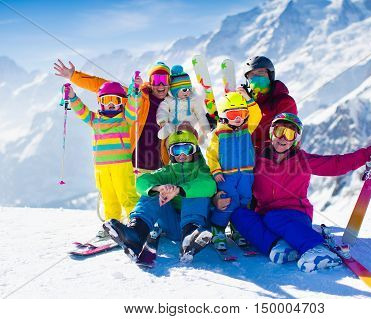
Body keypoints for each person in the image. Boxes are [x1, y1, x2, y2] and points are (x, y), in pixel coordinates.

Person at [228, 112, 371, 272]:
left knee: (273, 217)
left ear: (296, 140)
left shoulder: (302, 160)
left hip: (296, 214)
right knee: (238, 214)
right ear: (272, 133)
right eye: (279, 131)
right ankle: (279, 246)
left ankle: (317, 248)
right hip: (266, 217)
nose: (283, 138)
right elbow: (236, 174)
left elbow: (336, 164)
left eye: (289, 133)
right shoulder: (256, 159)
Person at [103, 129, 217, 264]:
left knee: (198, 191)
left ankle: (190, 237)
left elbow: (210, 186)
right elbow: (141, 181)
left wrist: (179, 190)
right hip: (173, 226)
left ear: (195, 151)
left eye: (186, 149)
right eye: (176, 150)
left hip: (197, 227)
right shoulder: (167, 172)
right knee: (152, 191)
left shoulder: (202, 171)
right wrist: (158, 188)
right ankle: (136, 234)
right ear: (170, 153)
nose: (181, 154)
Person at [54, 59, 171, 171]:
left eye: (164, 80)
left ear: (169, 83)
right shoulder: (136, 97)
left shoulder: (175, 104)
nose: (160, 85)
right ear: (150, 82)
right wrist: (74, 76)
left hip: (161, 168)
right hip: (133, 166)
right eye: (156, 80)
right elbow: (101, 85)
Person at [66, 81, 139, 235]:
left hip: (122, 165)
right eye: (106, 100)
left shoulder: (125, 119)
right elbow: (82, 112)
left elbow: (133, 109)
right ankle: (112, 225)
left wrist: (134, 93)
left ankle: (137, 225)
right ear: (100, 103)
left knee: (127, 195)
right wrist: (72, 97)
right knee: (108, 197)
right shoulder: (96, 120)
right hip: (102, 168)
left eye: (115, 100)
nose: (111, 104)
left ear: (122, 102)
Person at [206, 89, 262, 251]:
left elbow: (257, 114)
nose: (238, 118)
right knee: (228, 201)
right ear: (223, 115)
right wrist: (216, 171)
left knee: (245, 200)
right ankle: (218, 229)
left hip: (246, 174)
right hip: (227, 176)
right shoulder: (218, 134)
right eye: (232, 115)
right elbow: (211, 155)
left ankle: (238, 228)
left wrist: (247, 99)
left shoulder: (247, 129)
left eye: (242, 113)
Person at [243, 56, 298, 154]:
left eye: (260, 72)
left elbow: (284, 137)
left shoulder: (284, 102)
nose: (256, 77)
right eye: (251, 74)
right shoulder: (245, 102)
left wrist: (256, 152)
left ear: (270, 74)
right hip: (246, 158)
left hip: (273, 159)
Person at [156, 65, 210, 164]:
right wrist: (162, 121)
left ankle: (192, 159)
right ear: (175, 90)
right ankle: (173, 158)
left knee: (190, 145)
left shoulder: (193, 100)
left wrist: (205, 129)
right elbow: (162, 110)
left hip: (189, 130)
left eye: (189, 89)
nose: (188, 92)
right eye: (184, 90)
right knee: (167, 137)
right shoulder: (168, 101)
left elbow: (201, 115)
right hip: (173, 129)